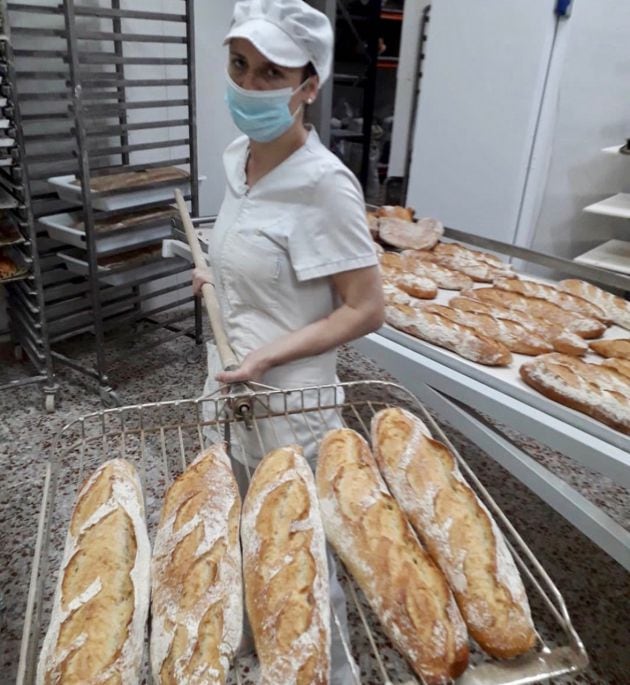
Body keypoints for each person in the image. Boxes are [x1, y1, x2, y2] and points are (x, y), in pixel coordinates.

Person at [193, 0, 384, 682]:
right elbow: (257, 254)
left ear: (308, 86)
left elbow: (365, 308)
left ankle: (331, 673)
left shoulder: (325, 185)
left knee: (302, 569)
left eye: (271, 73)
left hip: (289, 408)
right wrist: (214, 272)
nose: (248, 84)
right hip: (231, 392)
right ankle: (264, 653)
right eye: (239, 65)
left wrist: (271, 355)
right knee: (248, 539)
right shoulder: (238, 157)